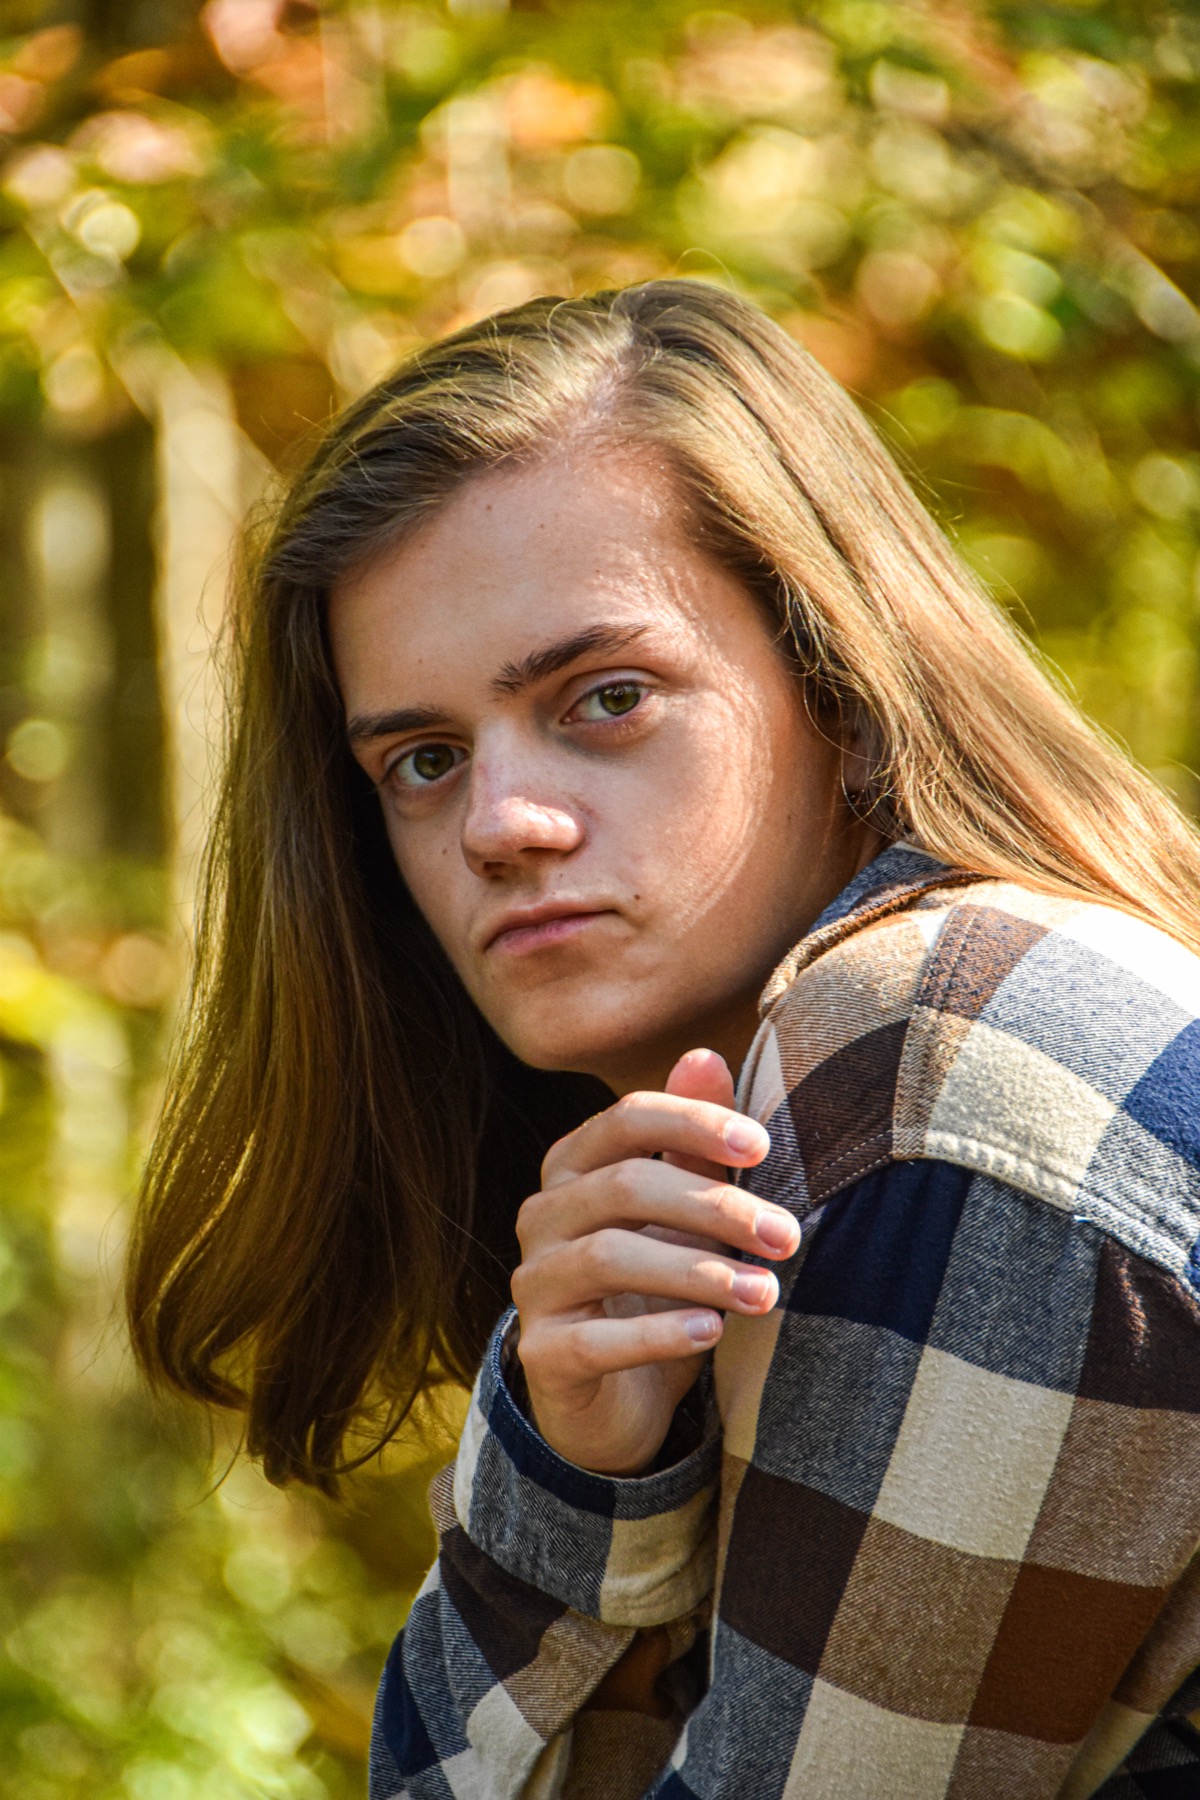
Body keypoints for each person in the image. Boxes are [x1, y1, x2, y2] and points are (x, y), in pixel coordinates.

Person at [126, 281, 1200, 1799]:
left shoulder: (947, 1066)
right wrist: (583, 1470)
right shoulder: (819, 1115)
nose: (501, 822)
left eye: (606, 698)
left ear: (837, 674)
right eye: (423, 760)